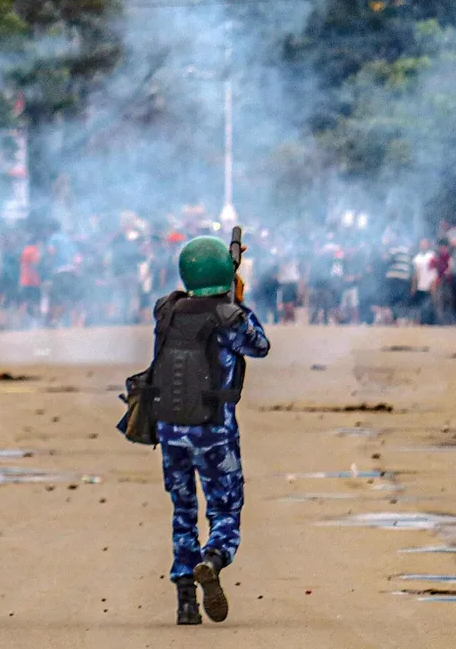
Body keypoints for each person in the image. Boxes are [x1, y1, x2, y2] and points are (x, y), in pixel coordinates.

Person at [149, 236, 270, 626]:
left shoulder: (166, 310)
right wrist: (237, 301)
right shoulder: (231, 318)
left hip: (170, 429)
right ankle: (212, 560)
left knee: (183, 511)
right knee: (225, 509)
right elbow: (260, 346)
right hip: (214, 431)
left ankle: (186, 602)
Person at [411, 238, 439, 325]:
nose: (423, 245)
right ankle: (422, 322)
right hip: (420, 285)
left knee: (430, 305)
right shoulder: (416, 258)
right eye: (421, 244)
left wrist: (434, 284)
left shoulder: (432, 256)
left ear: (428, 245)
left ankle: (432, 323)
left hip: (429, 285)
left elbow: (435, 271)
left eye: (424, 244)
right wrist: (413, 287)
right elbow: (415, 274)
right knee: (421, 306)